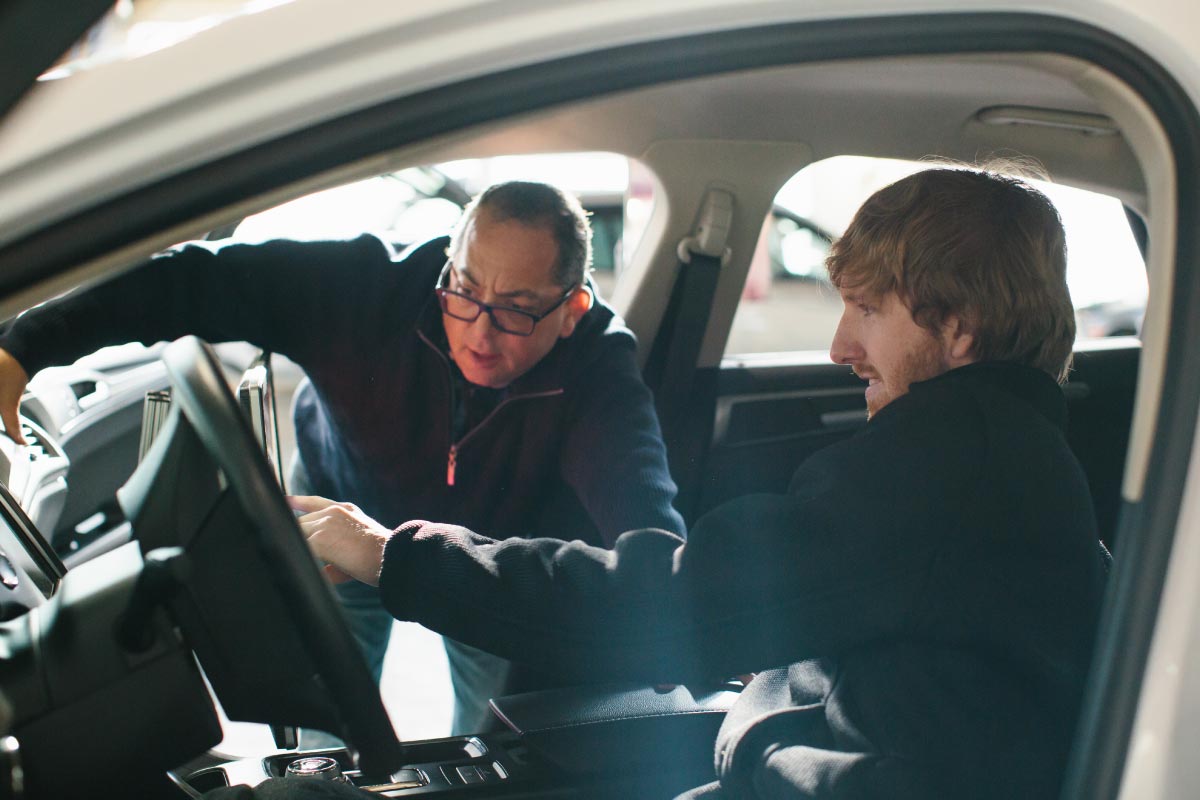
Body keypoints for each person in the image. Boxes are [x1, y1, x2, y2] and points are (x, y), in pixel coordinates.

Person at [291, 167, 1109, 799]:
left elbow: (675, 601)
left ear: (957, 325)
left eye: (865, 308)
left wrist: (394, 555)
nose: (838, 346)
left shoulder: (953, 462)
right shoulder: (1002, 455)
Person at [0, 180, 685, 735]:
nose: (478, 331)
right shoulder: (366, 288)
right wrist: (22, 347)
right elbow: (188, 284)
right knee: (329, 722)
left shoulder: (599, 367)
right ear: (449, 261)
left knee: (483, 745)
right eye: (465, 289)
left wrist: (668, 624)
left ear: (572, 309)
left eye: (516, 309)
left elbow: (651, 528)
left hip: (485, 566)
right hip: (335, 525)